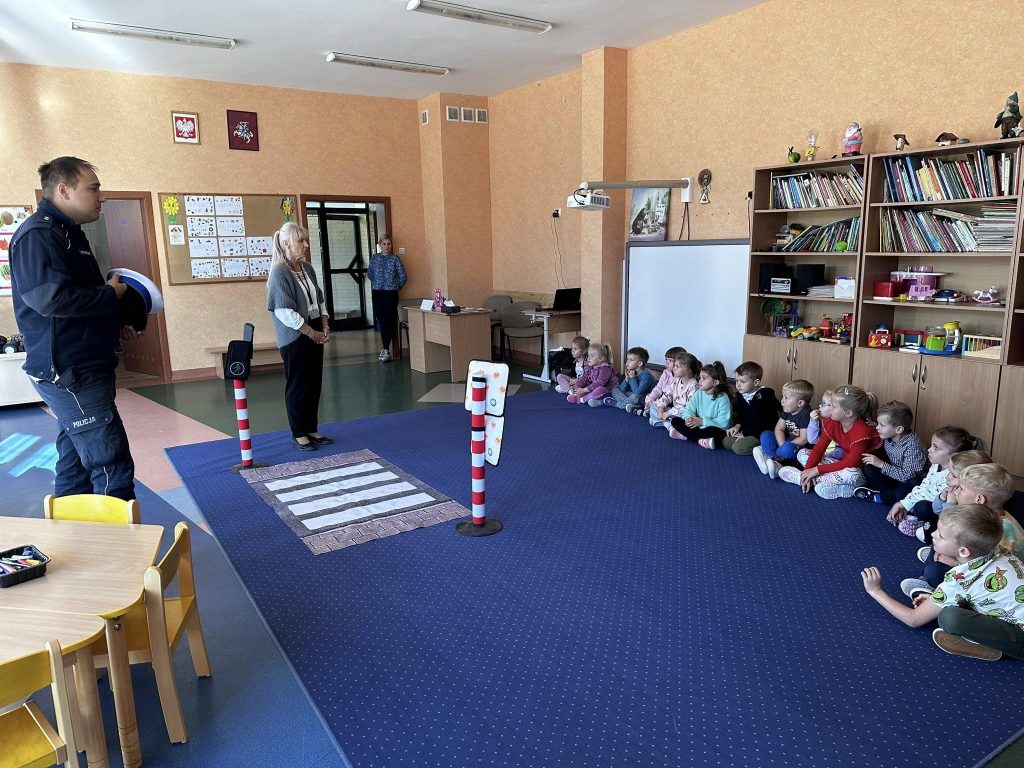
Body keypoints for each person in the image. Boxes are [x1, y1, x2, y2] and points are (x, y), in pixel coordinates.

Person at [9, 156, 141, 500]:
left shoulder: (69, 235)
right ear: (64, 190)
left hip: (86, 364)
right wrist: (109, 294)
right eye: (93, 189)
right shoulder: (39, 235)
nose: (102, 197)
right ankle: (118, 533)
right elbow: (51, 299)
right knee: (110, 463)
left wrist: (115, 321)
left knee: (76, 461)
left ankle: (73, 528)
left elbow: (76, 300)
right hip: (70, 371)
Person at [861, 504, 1024, 661]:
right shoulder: (1000, 551)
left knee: (949, 617)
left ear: (963, 551)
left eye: (940, 535)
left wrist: (876, 591)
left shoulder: (958, 579)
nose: (933, 534)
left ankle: (988, 646)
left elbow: (913, 619)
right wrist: (938, 597)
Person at [903, 459, 1015, 598]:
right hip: (974, 556)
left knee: (935, 571)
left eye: (960, 489)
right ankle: (937, 562)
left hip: (992, 577)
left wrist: (955, 562)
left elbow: (991, 567)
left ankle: (932, 587)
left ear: (979, 499)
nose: (956, 492)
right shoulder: (989, 517)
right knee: (939, 541)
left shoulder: (997, 530)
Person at [267, 222, 333, 451]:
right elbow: (283, 311)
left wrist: (324, 325)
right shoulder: (280, 272)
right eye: (300, 241)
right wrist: (312, 333)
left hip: (313, 328)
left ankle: (311, 428)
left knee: (314, 383)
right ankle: (299, 433)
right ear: (286, 244)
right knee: (298, 384)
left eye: (306, 240)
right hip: (295, 335)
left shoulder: (307, 268)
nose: (306, 245)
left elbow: (319, 301)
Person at [778, 384, 881, 499]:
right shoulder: (832, 422)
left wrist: (816, 470)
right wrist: (808, 470)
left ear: (848, 413)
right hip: (839, 464)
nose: (829, 408)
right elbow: (819, 449)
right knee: (803, 453)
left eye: (833, 406)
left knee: (853, 473)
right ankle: (810, 479)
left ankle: (802, 478)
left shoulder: (862, 431)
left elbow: (851, 463)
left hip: (857, 471)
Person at [884, 426, 979, 537]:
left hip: (939, 509)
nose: (929, 450)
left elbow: (932, 497)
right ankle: (909, 513)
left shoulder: (953, 477)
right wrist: (904, 504)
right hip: (928, 499)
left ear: (953, 456)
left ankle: (925, 525)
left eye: (936, 447)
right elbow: (924, 487)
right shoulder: (935, 465)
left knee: (921, 506)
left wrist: (903, 503)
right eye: (931, 445)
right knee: (908, 486)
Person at [854, 400, 927, 506]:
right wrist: (877, 425)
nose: (877, 427)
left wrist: (882, 465)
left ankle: (883, 497)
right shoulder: (889, 434)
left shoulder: (913, 447)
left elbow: (908, 476)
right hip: (894, 475)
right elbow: (883, 429)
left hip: (911, 480)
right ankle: (887, 493)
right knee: (868, 468)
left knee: (909, 486)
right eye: (878, 423)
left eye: (882, 425)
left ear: (899, 429)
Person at [751, 379, 813, 479]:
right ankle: (773, 460)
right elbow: (778, 429)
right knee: (766, 435)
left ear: (800, 403)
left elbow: (803, 439)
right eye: (783, 396)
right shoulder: (788, 410)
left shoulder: (806, 414)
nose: (782, 400)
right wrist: (781, 444)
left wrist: (785, 446)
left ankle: (774, 461)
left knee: (786, 448)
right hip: (786, 442)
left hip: (798, 448)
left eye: (786, 398)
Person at [668, 361, 733, 448]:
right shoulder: (699, 393)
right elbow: (688, 410)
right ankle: (700, 440)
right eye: (700, 377)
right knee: (675, 420)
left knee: (715, 432)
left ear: (715, 382)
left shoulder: (723, 398)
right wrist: (688, 419)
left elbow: (724, 423)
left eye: (704, 378)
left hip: (713, 427)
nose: (700, 380)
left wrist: (702, 421)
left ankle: (687, 435)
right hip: (698, 425)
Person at [722, 361, 779, 456]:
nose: (738, 385)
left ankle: (764, 448)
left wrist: (744, 434)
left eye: (742, 382)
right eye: (737, 381)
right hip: (748, 429)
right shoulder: (741, 394)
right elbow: (741, 414)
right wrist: (737, 426)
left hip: (761, 432)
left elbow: (758, 421)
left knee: (738, 448)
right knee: (727, 442)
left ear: (756, 382)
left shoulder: (764, 396)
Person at [367, 233, 407, 362]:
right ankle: (385, 349)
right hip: (378, 293)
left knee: (390, 320)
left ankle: (385, 349)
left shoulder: (395, 259)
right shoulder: (374, 258)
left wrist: (395, 287)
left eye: (389, 244)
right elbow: (370, 274)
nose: (387, 246)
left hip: (391, 294)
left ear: (391, 245)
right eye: (384, 244)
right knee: (381, 320)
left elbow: (403, 276)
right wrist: (378, 283)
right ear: (380, 245)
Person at [648, 352, 698, 428]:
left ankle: (664, 423)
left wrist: (669, 413)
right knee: (654, 405)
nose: (674, 368)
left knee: (685, 418)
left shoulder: (693, 385)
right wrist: (661, 407)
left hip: (683, 413)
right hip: (673, 411)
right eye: (674, 366)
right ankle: (668, 424)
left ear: (688, 370)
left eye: (677, 366)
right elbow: (667, 395)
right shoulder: (676, 380)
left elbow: (688, 407)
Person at [639, 346, 684, 418]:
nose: (667, 363)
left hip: (671, 400)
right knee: (642, 398)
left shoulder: (680, 377)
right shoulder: (665, 372)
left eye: (670, 361)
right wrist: (650, 400)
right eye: (666, 360)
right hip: (662, 397)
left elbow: (673, 397)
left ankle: (649, 412)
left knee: (673, 407)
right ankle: (649, 409)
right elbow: (658, 388)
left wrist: (656, 403)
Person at [605, 346, 655, 410]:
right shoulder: (632, 371)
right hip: (631, 394)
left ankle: (618, 404)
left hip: (643, 397)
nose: (627, 362)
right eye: (627, 359)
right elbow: (622, 389)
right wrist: (626, 380)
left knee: (635, 396)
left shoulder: (646, 375)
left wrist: (632, 378)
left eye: (631, 360)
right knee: (614, 389)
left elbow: (638, 392)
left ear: (640, 363)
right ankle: (630, 405)